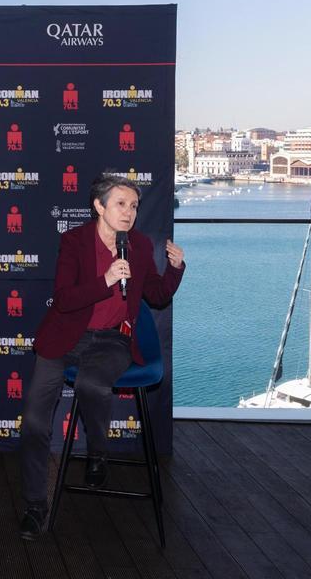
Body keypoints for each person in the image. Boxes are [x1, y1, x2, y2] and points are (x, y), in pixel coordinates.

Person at [18, 172, 184, 540]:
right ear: (99, 206)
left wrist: (174, 269)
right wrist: (106, 279)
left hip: (112, 340)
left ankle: (97, 453)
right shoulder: (74, 242)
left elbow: (156, 296)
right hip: (65, 338)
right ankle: (34, 505)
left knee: (94, 385)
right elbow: (64, 299)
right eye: (121, 204)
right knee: (33, 420)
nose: (129, 213)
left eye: (134, 206)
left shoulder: (138, 246)